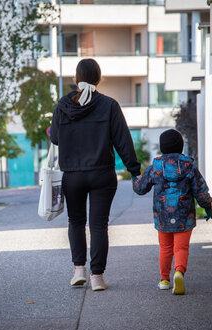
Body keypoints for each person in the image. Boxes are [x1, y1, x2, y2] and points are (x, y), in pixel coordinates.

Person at [50, 58, 141, 291]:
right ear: (98, 78)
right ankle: (97, 277)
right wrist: (134, 170)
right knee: (99, 225)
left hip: (72, 174)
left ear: (76, 78)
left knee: (76, 221)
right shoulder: (109, 105)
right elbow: (123, 141)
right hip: (102, 174)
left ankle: (78, 270)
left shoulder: (63, 105)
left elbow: (56, 139)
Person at [132, 129, 212, 295]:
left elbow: (141, 188)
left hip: (163, 216)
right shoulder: (189, 166)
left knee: (165, 247)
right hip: (185, 216)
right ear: (181, 147)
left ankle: (164, 280)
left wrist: (135, 179)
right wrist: (207, 206)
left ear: (162, 147)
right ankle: (179, 272)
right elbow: (200, 189)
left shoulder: (156, 167)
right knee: (181, 248)